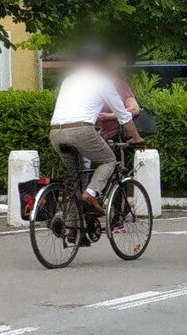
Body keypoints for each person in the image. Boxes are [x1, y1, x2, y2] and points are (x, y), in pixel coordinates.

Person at [49, 46, 145, 216]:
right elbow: (123, 115)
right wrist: (137, 138)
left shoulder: (69, 80)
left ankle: (72, 228)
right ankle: (91, 194)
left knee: (74, 179)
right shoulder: (102, 80)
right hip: (81, 131)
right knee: (108, 160)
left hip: (55, 133)